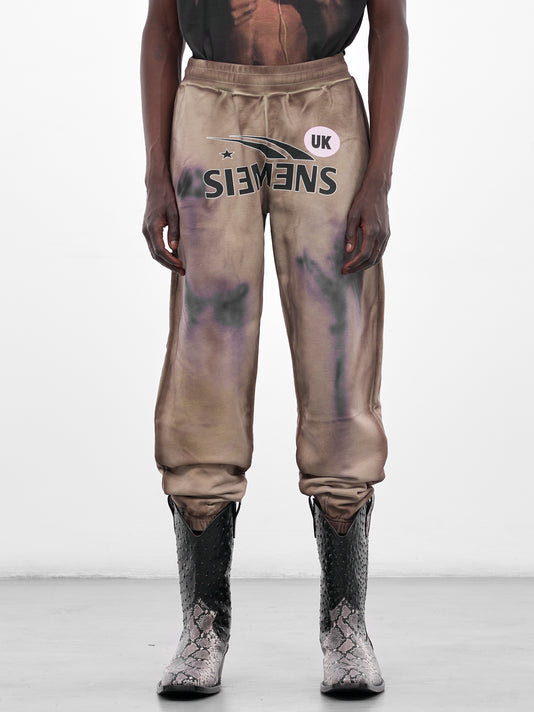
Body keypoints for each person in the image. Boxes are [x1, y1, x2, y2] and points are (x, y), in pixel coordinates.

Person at [140, 0, 408, 697]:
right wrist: (155, 175)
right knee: (207, 351)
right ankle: (202, 625)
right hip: (210, 103)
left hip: (322, 102)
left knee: (337, 347)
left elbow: (390, 25)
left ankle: (346, 625)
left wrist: (379, 181)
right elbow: (162, 27)